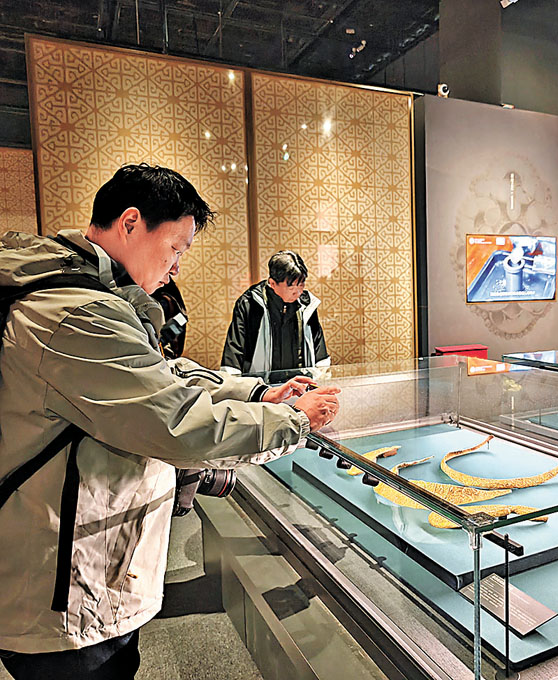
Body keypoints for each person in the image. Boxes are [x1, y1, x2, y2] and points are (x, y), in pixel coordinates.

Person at [0, 164, 340, 680]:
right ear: (130, 223)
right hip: (64, 594)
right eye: (176, 248)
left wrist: (259, 393)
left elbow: (161, 375)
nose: (177, 266)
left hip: (77, 574)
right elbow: (176, 422)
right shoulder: (77, 313)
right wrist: (291, 420)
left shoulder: (88, 292)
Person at [221, 250, 330, 376]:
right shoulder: (250, 304)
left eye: (301, 285)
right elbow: (234, 351)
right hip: (262, 384)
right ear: (272, 283)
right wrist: (234, 382)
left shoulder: (307, 305)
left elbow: (319, 349)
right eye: (291, 287)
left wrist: (323, 377)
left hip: (300, 382)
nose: (298, 292)